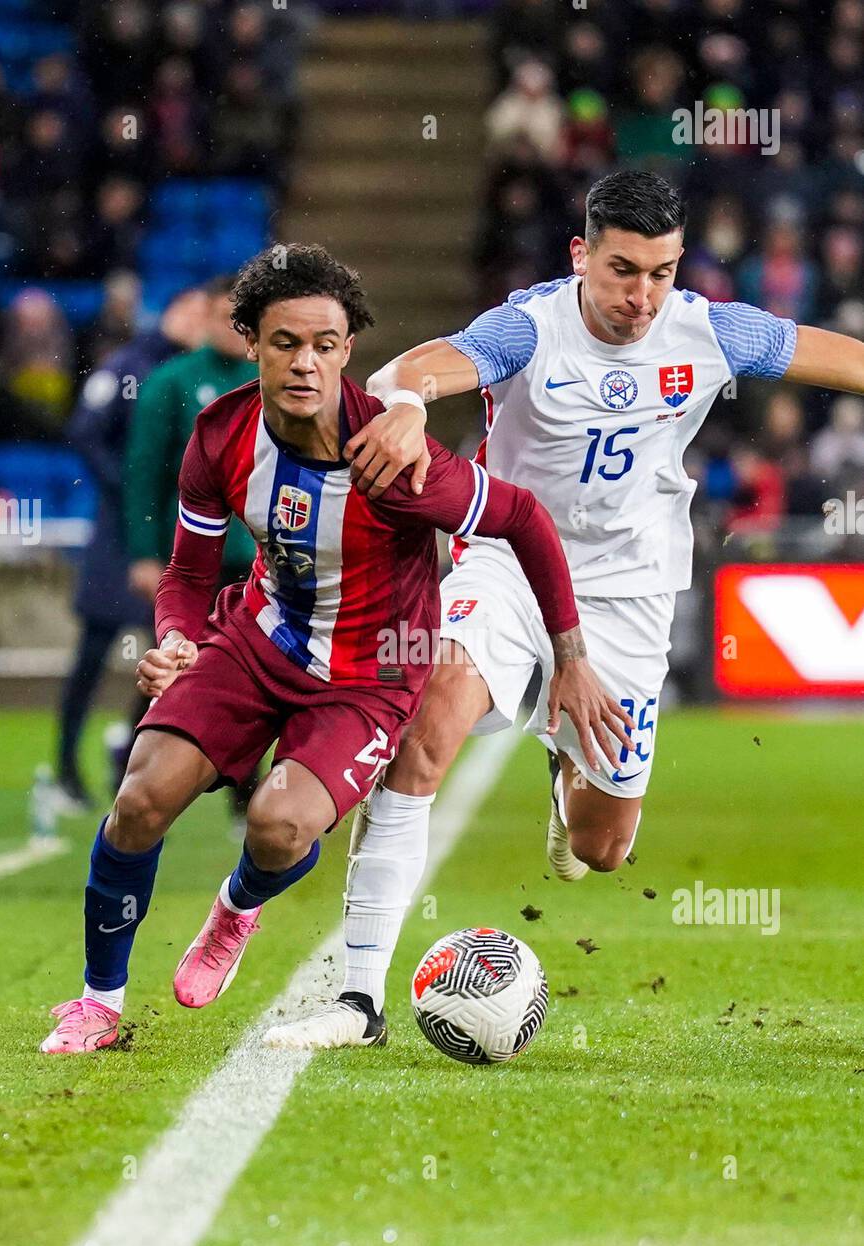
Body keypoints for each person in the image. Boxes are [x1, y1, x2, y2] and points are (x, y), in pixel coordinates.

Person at [276, 167, 864, 1050]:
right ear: (582, 254)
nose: (642, 296)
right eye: (624, 270)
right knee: (428, 722)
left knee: (602, 850)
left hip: (630, 593)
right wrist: (401, 402)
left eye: (662, 273)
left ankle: (568, 777)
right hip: (509, 565)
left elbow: (839, 356)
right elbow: (423, 364)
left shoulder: (711, 330)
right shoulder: (530, 325)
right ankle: (358, 1001)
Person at [39, 243, 625, 1055]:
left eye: (325, 344)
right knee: (140, 800)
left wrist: (570, 655)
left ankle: (238, 907)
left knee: (280, 827)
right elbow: (186, 569)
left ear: (349, 350)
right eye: (285, 343)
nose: (305, 363)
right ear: (250, 341)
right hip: (256, 641)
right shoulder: (220, 435)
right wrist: (176, 636)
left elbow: (523, 518)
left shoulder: (396, 457)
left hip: (369, 673)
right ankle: (97, 1003)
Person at [57, 287, 208, 809]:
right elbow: (84, 431)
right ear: (172, 311)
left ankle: (125, 753)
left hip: (168, 535)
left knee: (167, 653)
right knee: (94, 652)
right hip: (118, 537)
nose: (201, 322)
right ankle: (65, 768)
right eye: (193, 312)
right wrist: (130, 487)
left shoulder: (196, 374)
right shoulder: (130, 367)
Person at [123, 273, 261, 826]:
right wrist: (142, 552)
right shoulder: (171, 382)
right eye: (224, 315)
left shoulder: (267, 382)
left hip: (255, 559)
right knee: (171, 662)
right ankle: (132, 773)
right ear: (205, 316)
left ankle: (243, 791)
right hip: (189, 559)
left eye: (241, 319)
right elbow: (143, 474)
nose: (233, 328)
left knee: (250, 672)